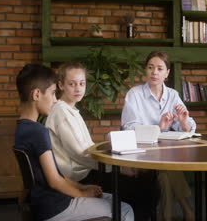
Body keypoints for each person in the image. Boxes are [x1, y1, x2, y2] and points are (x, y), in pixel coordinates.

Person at [14, 63, 134, 221]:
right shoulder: (38, 132)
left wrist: (83, 187)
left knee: (111, 199)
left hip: (46, 202)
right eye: (52, 93)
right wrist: (82, 194)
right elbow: (55, 181)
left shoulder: (22, 128)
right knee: (124, 209)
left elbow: (55, 175)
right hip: (56, 206)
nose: (55, 100)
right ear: (36, 94)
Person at [45, 62, 158, 220]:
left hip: (86, 170)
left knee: (144, 180)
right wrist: (115, 167)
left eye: (82, 83)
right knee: (142, 185)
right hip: (79, 177)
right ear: (61, 85)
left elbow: (86, 148)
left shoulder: (70, 110)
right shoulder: (62, 112)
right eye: (72, 84)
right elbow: (80, 154)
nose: (78, 88)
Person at [121, 51, 195, 221]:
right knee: (167, 168)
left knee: (164, 174)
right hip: (141, 155)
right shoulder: (134, 94)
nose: (154, 72)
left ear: (167, 73)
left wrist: (184, 122)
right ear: (145, 70)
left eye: (160, 68)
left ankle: (166, 216)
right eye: (150, 68)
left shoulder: (173, 95)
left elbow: (188, 126)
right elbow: (129, 129)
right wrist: (158, 127)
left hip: (166, 154)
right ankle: (187, 209)